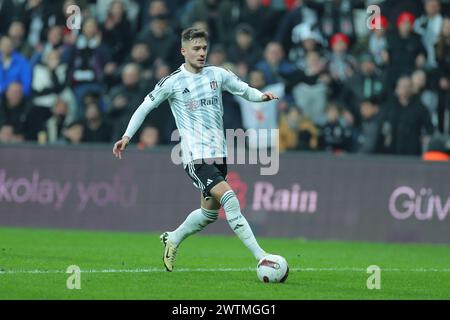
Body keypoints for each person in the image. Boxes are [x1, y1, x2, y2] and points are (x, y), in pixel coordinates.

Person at [112, 28, 279, 272]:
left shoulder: (217, 74)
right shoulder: (173, 82)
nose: (202, 53)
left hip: (218, 154)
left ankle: (173, 238)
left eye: (204, 48)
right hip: (195, 156)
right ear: (183, 51)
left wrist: (261, 96)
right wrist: (127, 135)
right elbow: (145, 107)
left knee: (209, 214)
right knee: (231, 200)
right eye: (196, 48)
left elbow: (243, 89)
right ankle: (261, 256)